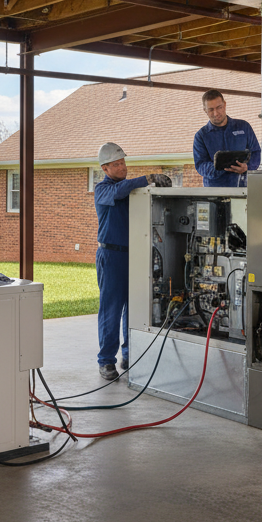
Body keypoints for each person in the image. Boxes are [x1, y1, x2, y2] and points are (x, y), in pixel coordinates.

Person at [94, 142, 171, 381]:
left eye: (123, 162)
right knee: (112, 310)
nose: (122, 167)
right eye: (116, 164)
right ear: (105, 168)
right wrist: (147, 178)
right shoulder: (103, 190)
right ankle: (106, 361)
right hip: (111, 255)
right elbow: (119, 191)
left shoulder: (132, 191)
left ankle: (130, 354)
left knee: (135, 307)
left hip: (135, 254)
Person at [193, 89, 262, 187]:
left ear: (224, 105)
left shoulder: (244, 127)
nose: (216, 113)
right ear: (205, 110)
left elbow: (256, 152)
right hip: (215, 192)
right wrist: (219, 167)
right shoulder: (201, 136)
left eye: (219, 107)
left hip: (242, 188)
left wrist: (247, 167)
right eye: (211, 110)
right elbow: (200, 165)